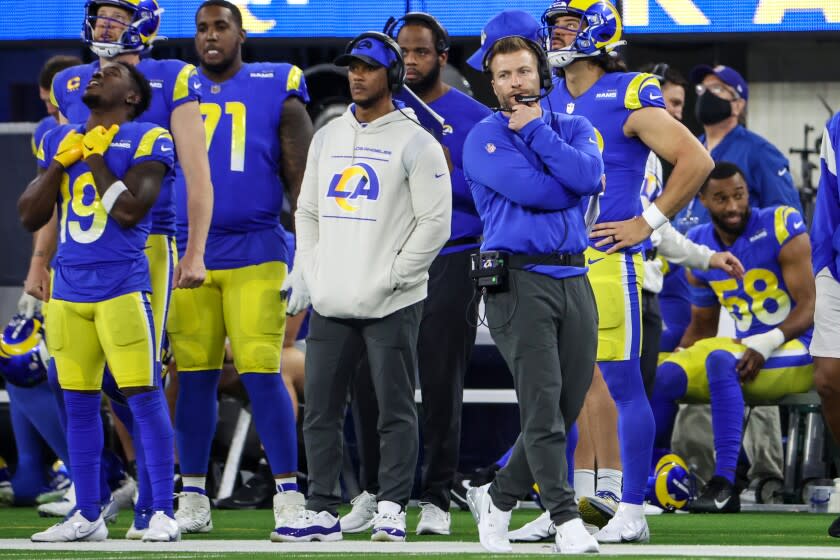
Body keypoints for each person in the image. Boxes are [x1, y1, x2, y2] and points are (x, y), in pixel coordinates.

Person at [507, 0, 713, 544]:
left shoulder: (627, 91)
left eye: (569, 24)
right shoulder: (544, 95)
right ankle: (567, 509)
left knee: (622, 385)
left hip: (604, 258)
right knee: (560, 390)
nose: (557, 33)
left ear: (599, 30)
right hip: (554, 257)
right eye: (553, 25)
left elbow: (696, 161)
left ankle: (635, 508)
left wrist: (646, 223)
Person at [31, 0, 212, 530]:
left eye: (118, 13)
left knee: (140, 378)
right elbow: (61, 189)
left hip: (145, 241)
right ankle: (97, 501)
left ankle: (159, 504)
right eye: (101, 13)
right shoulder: (70, 82)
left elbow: (198, 175)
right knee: (84, 384)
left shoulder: (173, 78)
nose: (106, 23)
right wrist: (40, 261)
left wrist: (195, 249)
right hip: (78, 251)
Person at [274, 31, 451, 543]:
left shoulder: (417, 140)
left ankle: (393, 506)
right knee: (323, 411)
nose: (356, 75)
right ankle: (323, 509)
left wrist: (396, 276)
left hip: (393, 301)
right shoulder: (328, 135)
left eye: (368, 68)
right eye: (352, 67)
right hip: (332, 298)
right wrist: (313, 268)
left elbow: (434, 223)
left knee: (394, 410)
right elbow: (306, 211)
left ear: (391, 76)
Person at [340, 12, 491, 537]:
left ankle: (435, 497)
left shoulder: (471, 116)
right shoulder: (370, 114)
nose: (409, 60)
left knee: (440, 379)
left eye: (420, 51)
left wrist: (443, 171)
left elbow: (488, 195)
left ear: (442, 58)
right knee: (368, 379)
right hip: (376, 257)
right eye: (401, 51)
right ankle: (375, 492)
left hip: (449, 255)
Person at [168, 0, 313, 540]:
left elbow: (301, 181)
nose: (210, 36)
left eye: (220, 26)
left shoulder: (278, 83)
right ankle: (193, 496)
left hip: (257, 249)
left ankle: (288, 495)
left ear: (240, 34)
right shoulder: (173, 88)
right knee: (193, 376)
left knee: (261, 369)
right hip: (190, 254)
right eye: (202, 27)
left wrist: (308, 255)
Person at [20, 61, 178, 542]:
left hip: (123, 286)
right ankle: (88, 514)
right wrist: (61, 164)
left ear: (132, 96)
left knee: (144, 396)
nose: (95, 75)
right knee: (80, 401)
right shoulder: (58, 140)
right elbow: (30, 214)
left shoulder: (149, 137)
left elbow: (131, 211)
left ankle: (162, 512)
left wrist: (94, 159)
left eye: (110, 74)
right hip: (68, 289)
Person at [463, 34, 604, 554]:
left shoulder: (575, 125)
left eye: (522, 72)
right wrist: (562, 166)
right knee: (542, 408)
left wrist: (541, 134)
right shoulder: (482, 138)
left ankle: (496, 499)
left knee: (564, 408)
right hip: (518, 282)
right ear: (493, 84)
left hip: (575, 277)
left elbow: (589, 176)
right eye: (503, 76)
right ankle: (565, 519)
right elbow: (545, 192)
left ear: (541, 75)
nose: (514, 83)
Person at [651, 162, 815, 513]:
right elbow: (704, 326)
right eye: (721, 198)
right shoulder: (700, 244)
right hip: (743, 350)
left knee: (720, 360)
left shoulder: (779, 224)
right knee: (661, 373)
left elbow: (810, 307)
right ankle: (646, 478)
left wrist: (768, 341)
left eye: (739, 195)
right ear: (702, 200)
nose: (732, 206)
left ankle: (725, 484)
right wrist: (683, 352)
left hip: (797, 346)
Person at [675, 64, 801, 228]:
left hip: (735, 251)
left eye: (717, 88)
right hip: (686, 249)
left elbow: (788, 217)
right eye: (702, 88)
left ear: (738, 105)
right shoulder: (690, 148)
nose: (706, 94)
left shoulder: (759, 151)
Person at [812, 109, 840, 537]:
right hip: (836, 266)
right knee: (830, 379)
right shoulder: (837, 127)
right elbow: (829, 196)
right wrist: (823, 264)